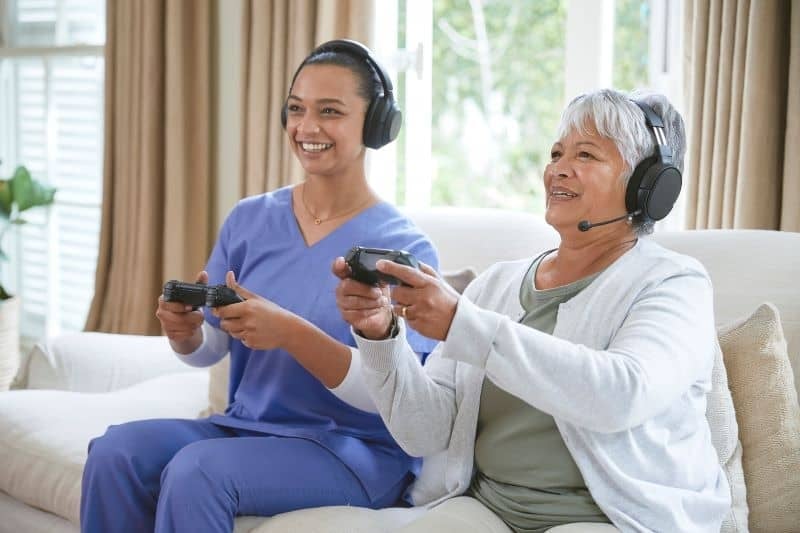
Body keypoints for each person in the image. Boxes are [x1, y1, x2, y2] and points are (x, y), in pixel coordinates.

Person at [80, 39, 438, 533]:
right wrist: (185, 336)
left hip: (354, 450)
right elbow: (212, 346)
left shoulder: (402, 249)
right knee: (114, 451)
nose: (307, 127)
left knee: (197, 472)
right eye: (296, 109)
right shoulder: (251, 218)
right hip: (248, 428)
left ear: (376, 124)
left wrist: (290, 332)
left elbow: (400, 399)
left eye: (329, 111)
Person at [334, 89, 731, 532]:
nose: (559, 168)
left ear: (645, 186)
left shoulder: (674, 283)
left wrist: (462, 323)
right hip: (488, 507)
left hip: (615, 519)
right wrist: (381, 336)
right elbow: (424, 431)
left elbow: (622, 395)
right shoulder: (497, 284)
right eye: (557, 152)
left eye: (586, 154)